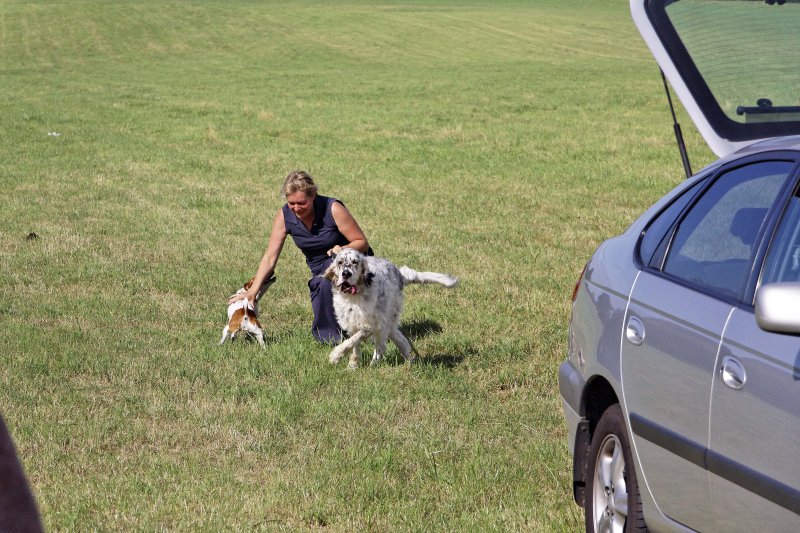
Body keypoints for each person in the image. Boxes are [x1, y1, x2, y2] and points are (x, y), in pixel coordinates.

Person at [229, 170, 371, 342]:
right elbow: (270, 258)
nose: (296, 208)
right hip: (320, 267)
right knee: (322, 281)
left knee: (324, 282)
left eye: (302, 203)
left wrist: (342, 250)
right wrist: (252, 292)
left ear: (313, 195)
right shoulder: (285, 216)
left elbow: (361, 242)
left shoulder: (333, 208)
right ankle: (333, 339)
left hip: (351, 264)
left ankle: (336, 336)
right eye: (292, 203)